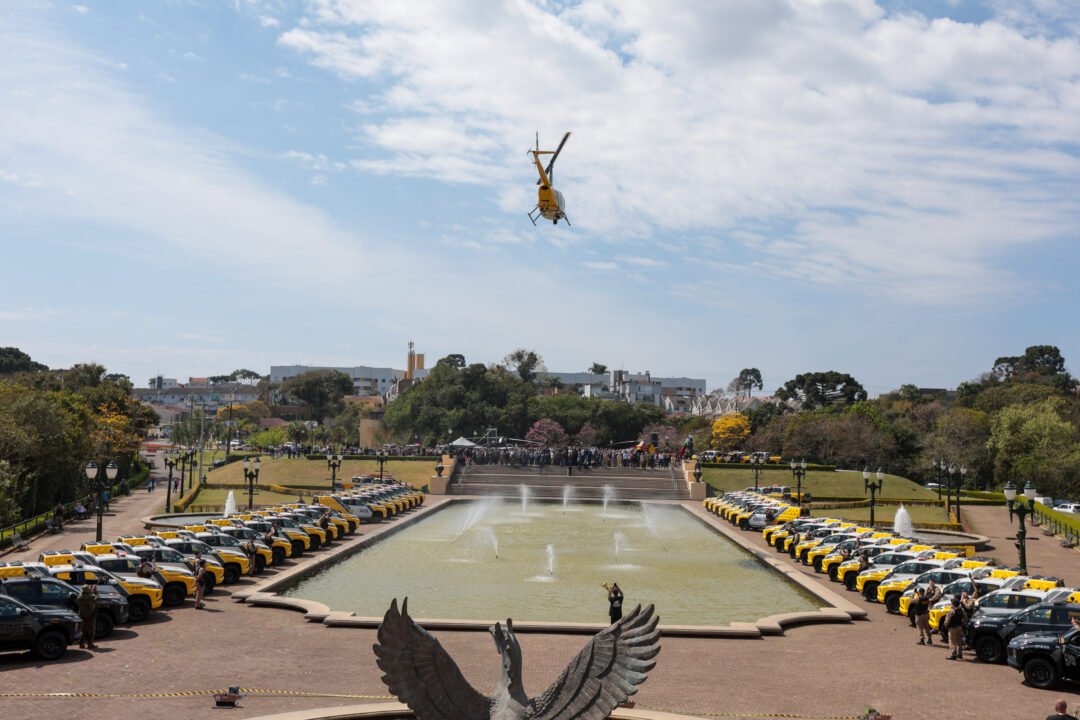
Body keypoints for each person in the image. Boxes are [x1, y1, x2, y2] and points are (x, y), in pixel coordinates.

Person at [77, 584, 99, 649]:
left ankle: (81, 644)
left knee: (83, 629)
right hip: (90, 615)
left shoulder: (79, 596)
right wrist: (95, 590)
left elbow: (83, 593)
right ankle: (90, 644)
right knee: (91, 630)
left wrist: (89, 590)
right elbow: (97, 597)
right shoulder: (91, 596)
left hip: (82, 614)